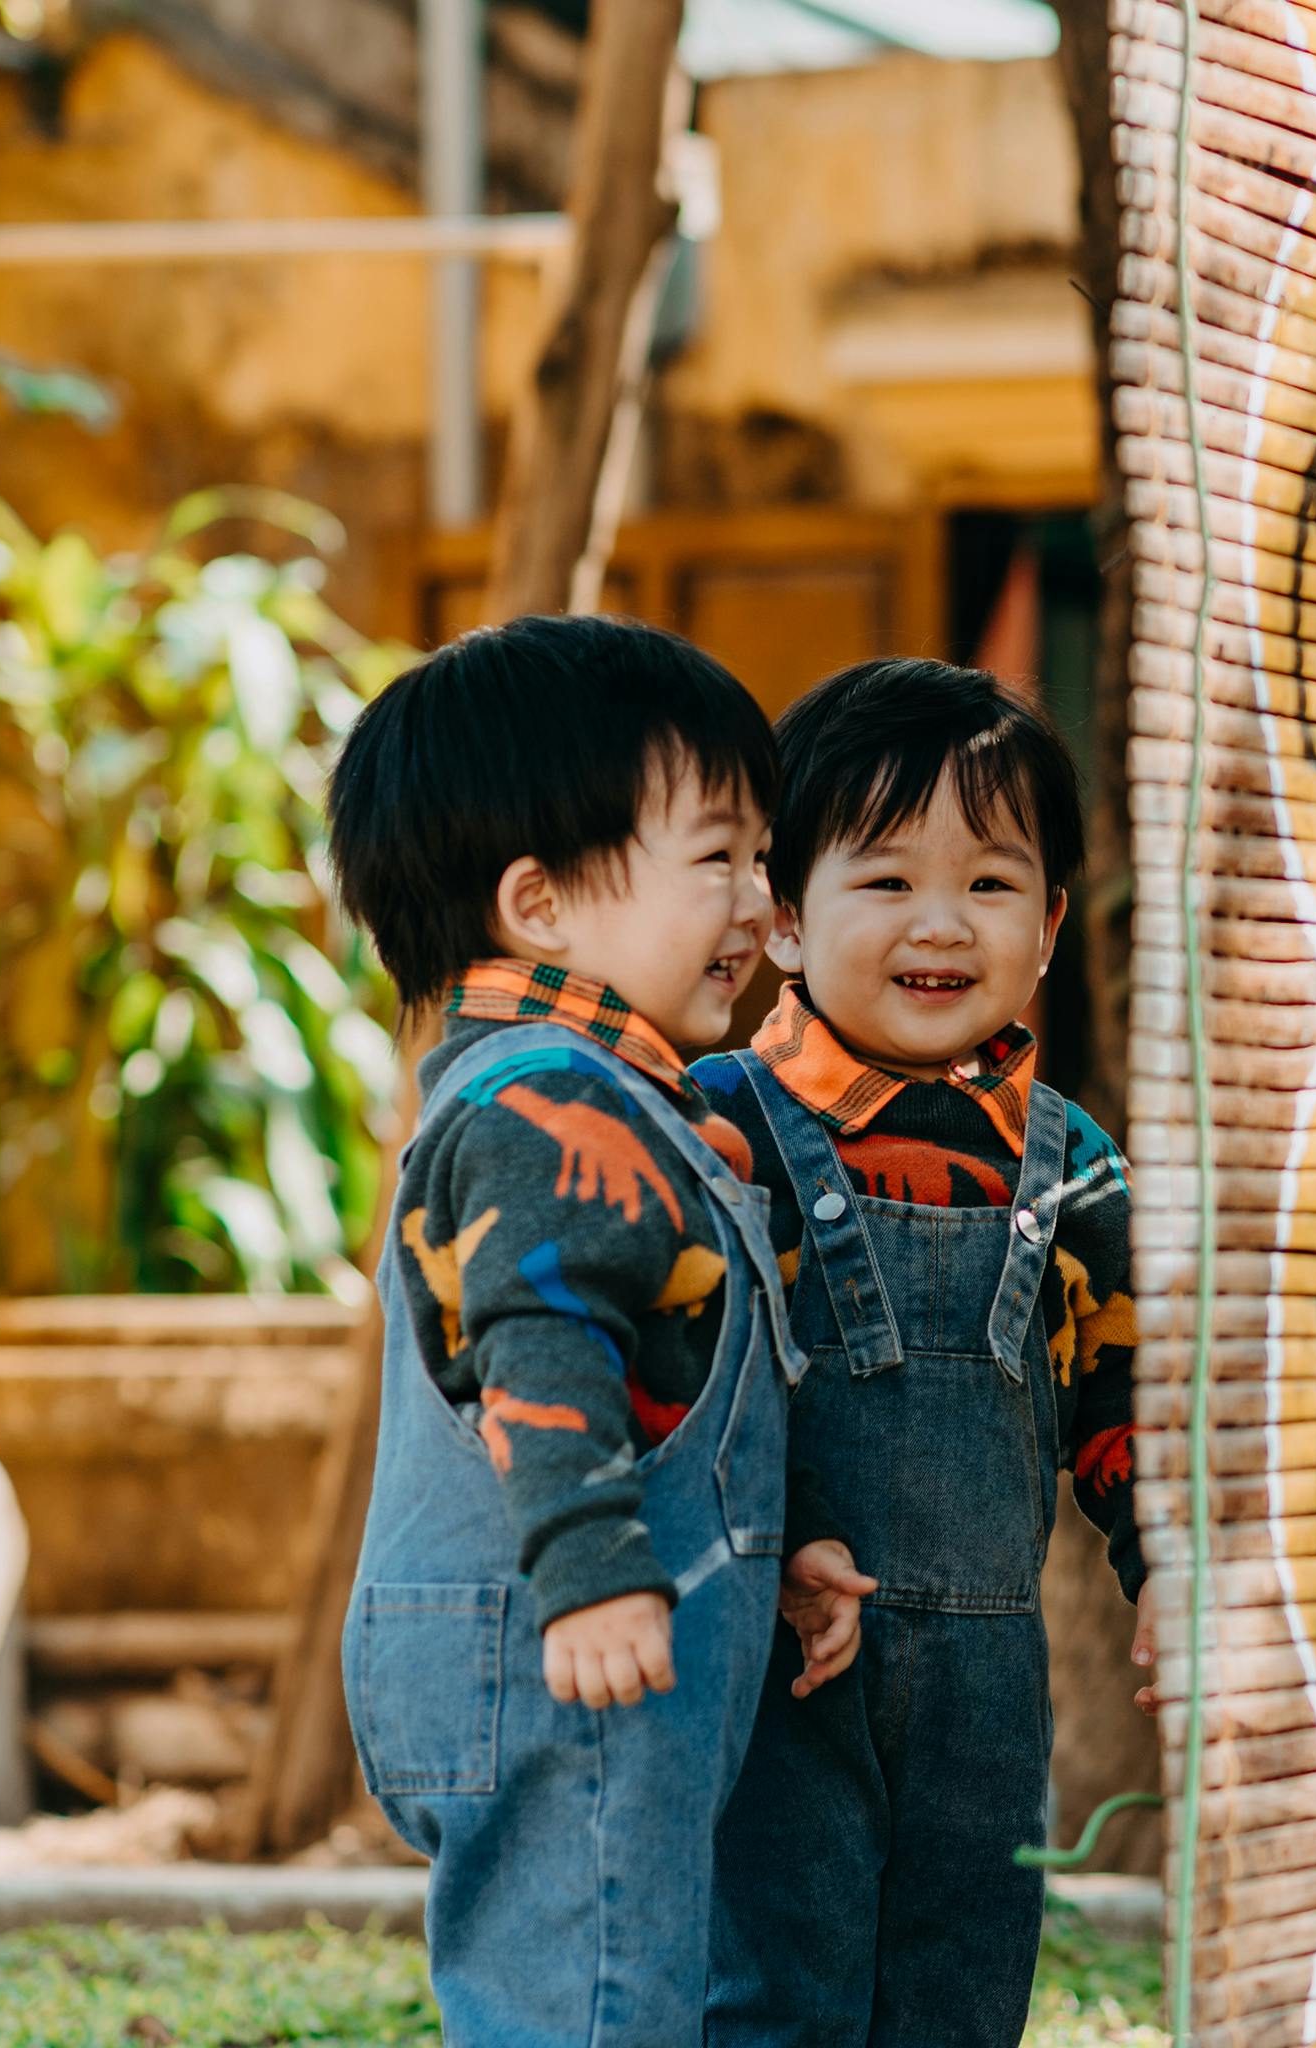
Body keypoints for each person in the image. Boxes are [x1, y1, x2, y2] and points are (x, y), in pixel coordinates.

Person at [328, 614, 859, 2048]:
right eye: (718, 859)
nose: (762, 903)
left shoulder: (615, 1097)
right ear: (541, 904)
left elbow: (661, 1380)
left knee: (619, 1988)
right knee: (593, 2008)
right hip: (562, 1658)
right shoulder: (543, 1102)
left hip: (585, 1647)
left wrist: (770, 1538)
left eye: (763, 857)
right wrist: (591, 1572)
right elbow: (540, 1335)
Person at [697, 658, 1145, 2048]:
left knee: (964, 1994)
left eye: (992, 884)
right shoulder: (720, 1128)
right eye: (885, 882)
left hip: (990, 1698)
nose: (940, 923)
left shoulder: (1076, 1168)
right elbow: (673, 1383)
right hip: (778, 1664)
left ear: (1054, 922)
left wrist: (1171, 1580)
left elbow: (1133, 1407)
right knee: (777, 1992)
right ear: (781, 913)